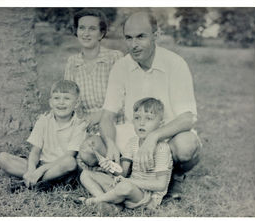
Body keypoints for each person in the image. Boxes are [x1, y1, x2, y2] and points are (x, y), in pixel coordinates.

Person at [99, 11, 201, 177]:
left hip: (168, 135)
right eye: (129, 38)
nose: (134, 45)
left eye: (141, 37)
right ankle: (135, 171)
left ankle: (170, 175)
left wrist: (154, 137)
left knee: (185, 147)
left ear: (156, 35)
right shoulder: (121, 66)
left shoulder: (175, 64)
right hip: (134, 134)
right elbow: (106, 116)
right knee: (89, 149)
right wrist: (110, 144)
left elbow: (187, 118)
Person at [80, 98, 173, 210]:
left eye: (149, 118)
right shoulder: (132, 142)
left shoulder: (162, 148)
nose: (141, 123)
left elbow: (160, 185)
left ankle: (95, 201)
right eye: (137, 118)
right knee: (85, 174)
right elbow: (122, 174)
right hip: (127, 188)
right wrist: (109, 167)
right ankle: (110, 204)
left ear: (161, 124)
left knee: (125, 187)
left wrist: (129, 181)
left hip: (146, 197)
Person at [0, 80, 87, 191]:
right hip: (42, 164)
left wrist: (40, 171)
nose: (61, 102)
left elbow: (69, 155)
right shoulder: (43, 120)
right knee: (3, 158)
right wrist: (31, 170)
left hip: (62, 168)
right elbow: (35, 151)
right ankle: (42, 182)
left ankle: (29, 183)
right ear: (50, 102)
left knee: (70, 162)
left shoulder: (79, 124)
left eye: (67, 98)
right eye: (56, 98)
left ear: (76, 103)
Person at [64, 8, 123, 131]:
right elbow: (69, 100)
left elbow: (124, 97)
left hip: (115, 125)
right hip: (85, 127)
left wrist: (100, 116)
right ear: (76, 31)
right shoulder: (72, 62)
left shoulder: (114, 58)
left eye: (92, 29)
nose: (86, 33)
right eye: (82, 28)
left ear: (101, 34)